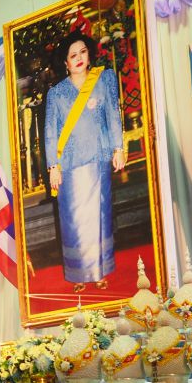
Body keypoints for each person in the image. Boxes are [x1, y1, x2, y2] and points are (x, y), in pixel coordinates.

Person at [44, 30, 126, 293]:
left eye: (82, 52)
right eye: (72, 55)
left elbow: (113, 115)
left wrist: (118, 148)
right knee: (74, 221)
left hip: (98, 159)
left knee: (99, 217)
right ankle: (77, 274)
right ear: (65, 63)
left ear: (89, 55)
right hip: (69, 165)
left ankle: (100, 271)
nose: (79, 58)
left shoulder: (103, 79)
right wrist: (53, 166)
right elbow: (50, 132)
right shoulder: (56, 94)